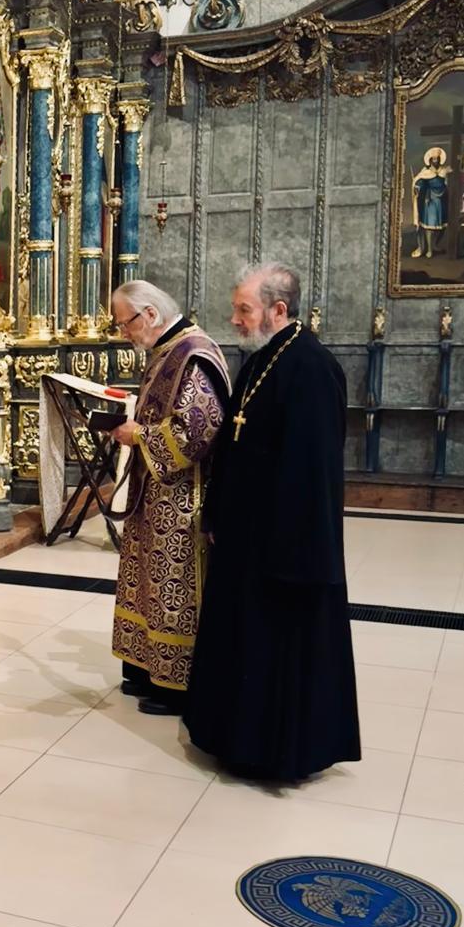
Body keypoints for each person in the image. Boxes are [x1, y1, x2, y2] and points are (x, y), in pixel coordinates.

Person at [185, 263, 360, 782]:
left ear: (278, 309)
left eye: (244, 309)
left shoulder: (312, 369)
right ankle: (233, 739)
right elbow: (233, 445)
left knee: (275, 645)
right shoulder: (260, 360)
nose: (235, 319)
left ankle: (273, 753)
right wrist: (217, 511)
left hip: (285, 545)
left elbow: (313, 473)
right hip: (243, 537)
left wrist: (293, 549)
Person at [109, 282, 229, 715]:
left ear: (150, 314)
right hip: (155, 491)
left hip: (182, 498)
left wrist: (139, 435)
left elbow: (198, 429)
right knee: (146, 582)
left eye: (126, 323)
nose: (124, 332)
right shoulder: (166, 351)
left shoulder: (192, 354)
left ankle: (176, 685)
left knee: (172, 584)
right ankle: (146, 667)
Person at [410, 146, 449, 260]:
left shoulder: (444, 171)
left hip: (442, 201)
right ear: (430, 160)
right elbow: (420, 183)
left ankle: (435, 245)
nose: (436, 161)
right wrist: (417, 187)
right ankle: (429, 250)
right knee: (430, 227)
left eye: (437, 159)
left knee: (442, 227)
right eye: (434, 159)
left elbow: (449, 183)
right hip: (430, 201)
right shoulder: (426, 172)